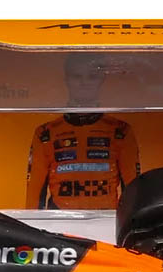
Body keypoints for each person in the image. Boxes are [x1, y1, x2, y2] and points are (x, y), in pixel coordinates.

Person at [25, 52, 140, 210]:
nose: (84, 83)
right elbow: (33, 198)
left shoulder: (120, 131)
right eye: (77, 76)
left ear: (102, 79)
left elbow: (133, 194)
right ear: (67, 79)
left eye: (92, 77)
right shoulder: (46, 134)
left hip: (106, 220)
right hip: (60, 220)